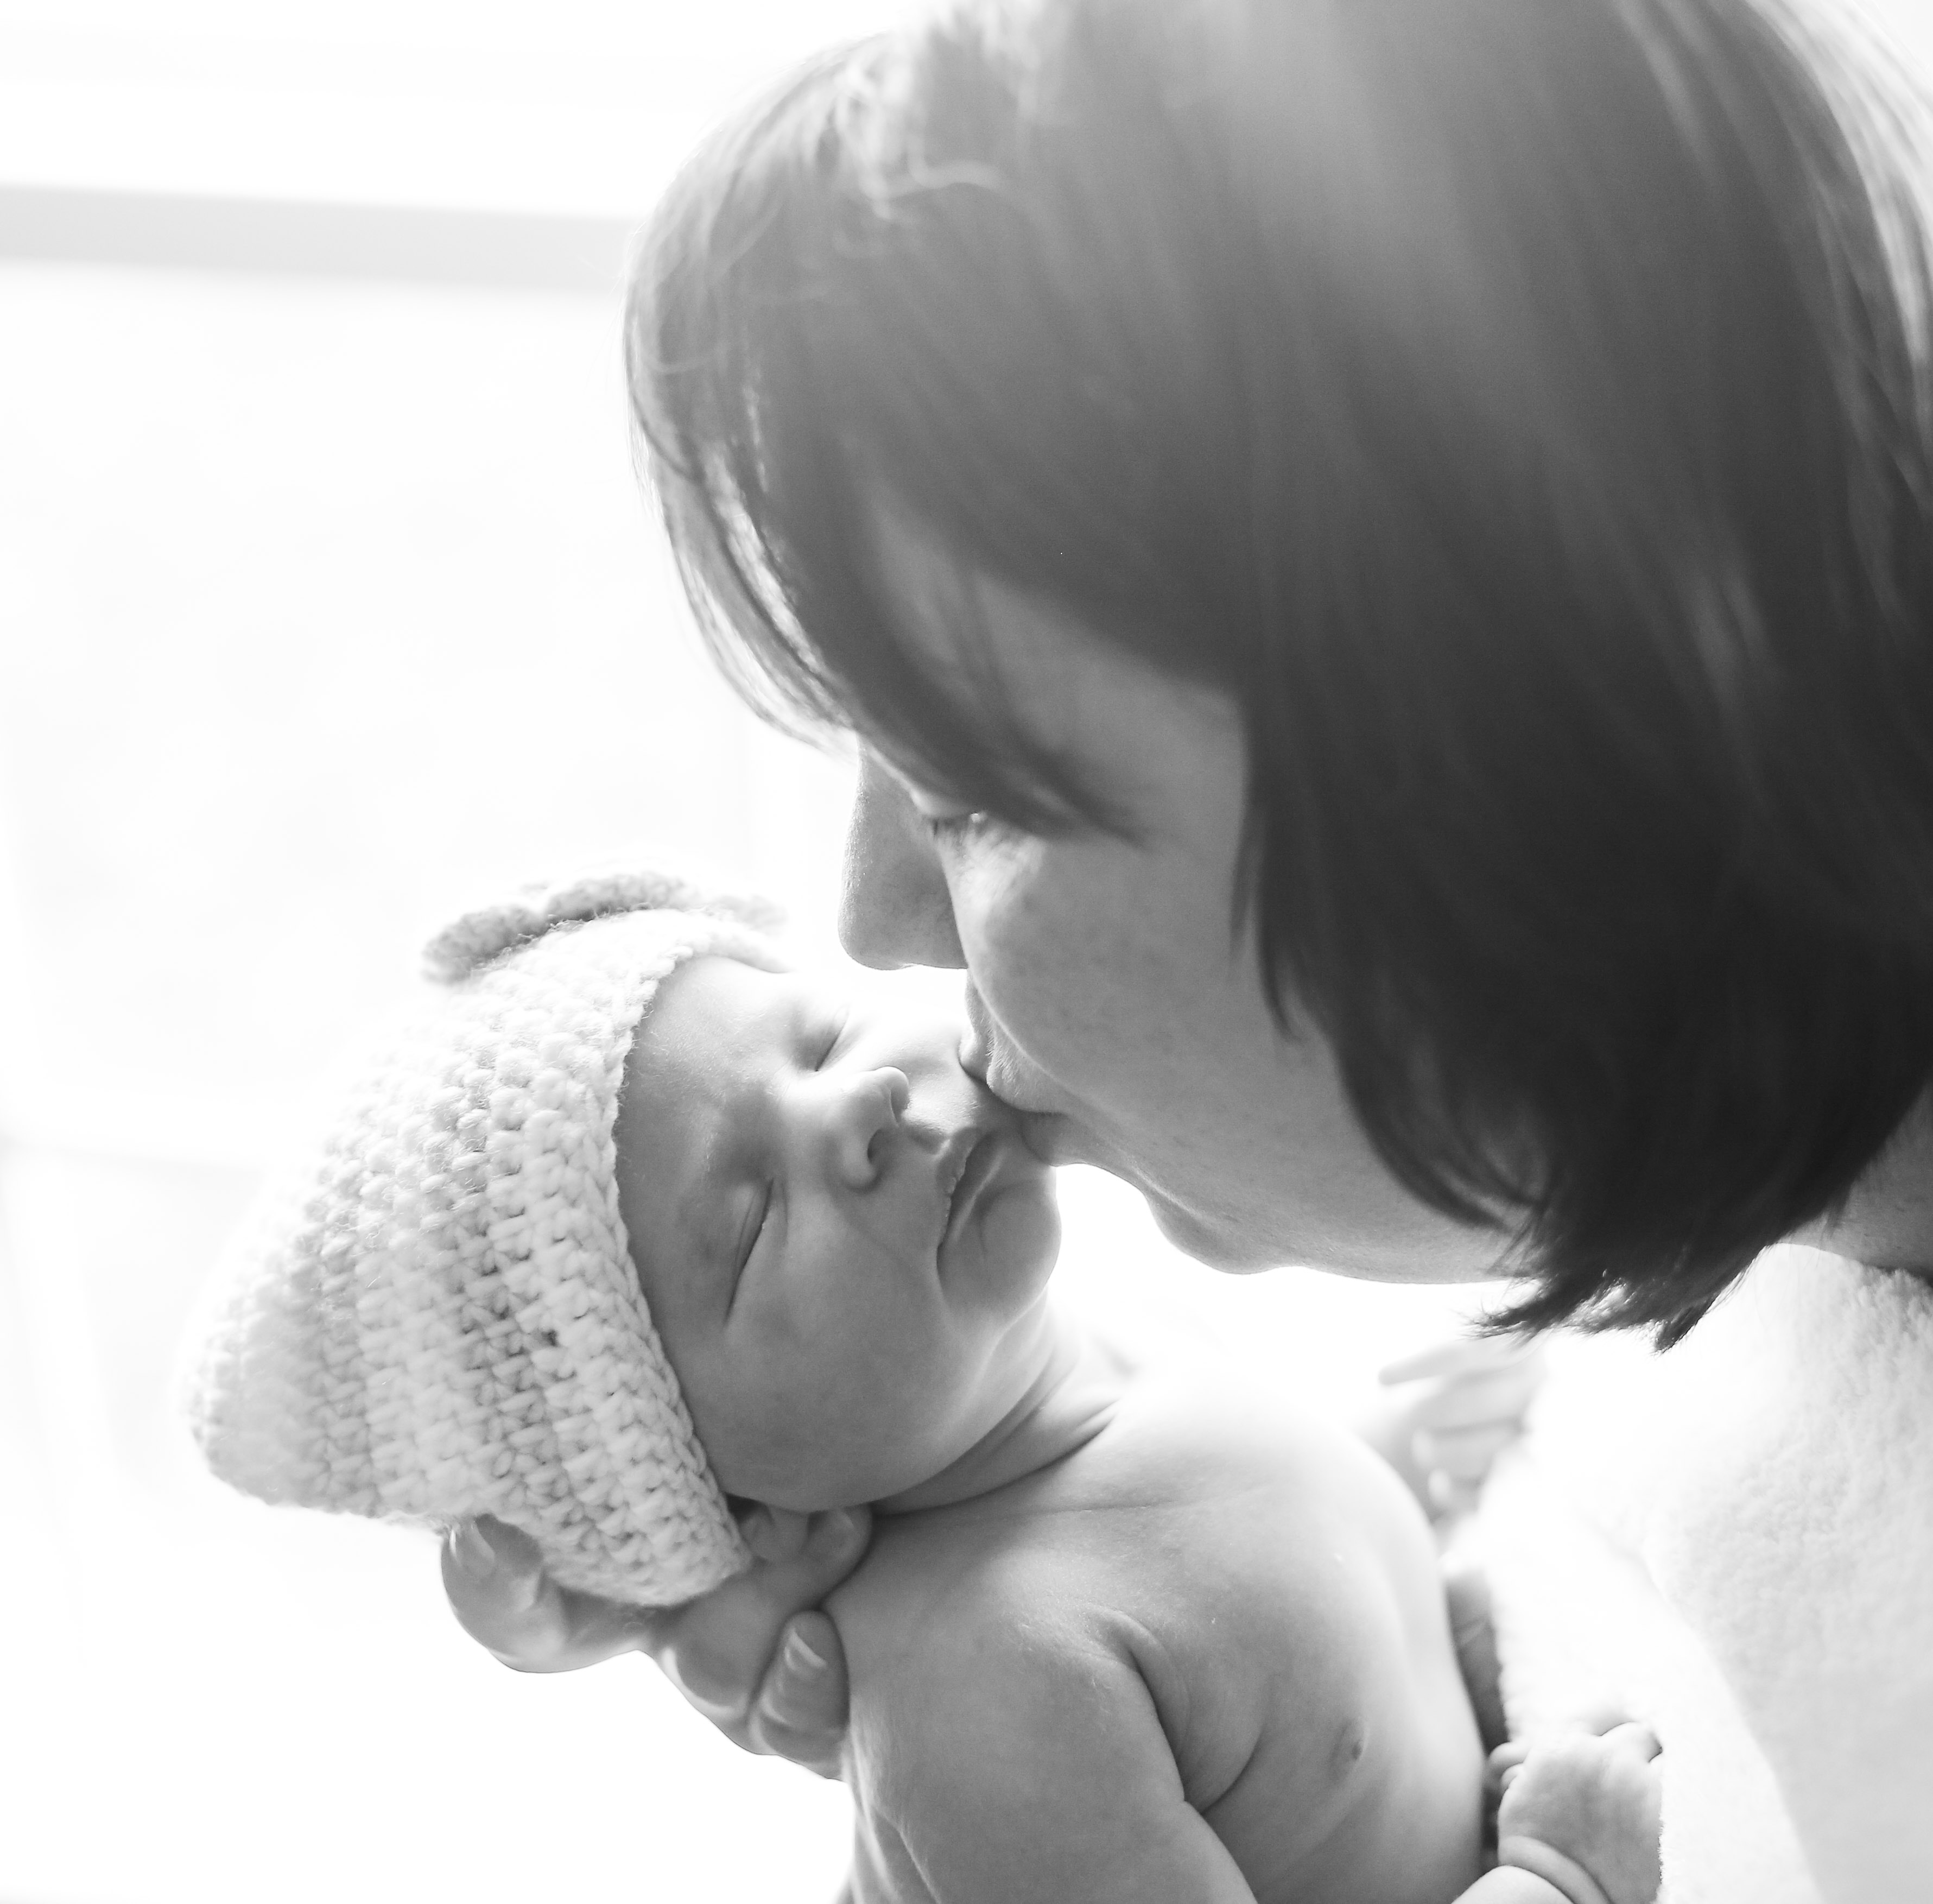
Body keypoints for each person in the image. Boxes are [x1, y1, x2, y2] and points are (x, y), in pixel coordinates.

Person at [443, 0, 1933, 1889]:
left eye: (965, 786)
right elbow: (1489, 1456)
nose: (875, 924)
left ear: (1499, 716)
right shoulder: (1722, 1289)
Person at [197, 872, 1658, 1903]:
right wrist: (1558, 1877)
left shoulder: (1104, 1345)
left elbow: (1311, 1571)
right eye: (750, 1222)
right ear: (715, 1497)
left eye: (817, 1037)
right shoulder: (992, 1693)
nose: (858, 1108)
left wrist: (1475, 1418)